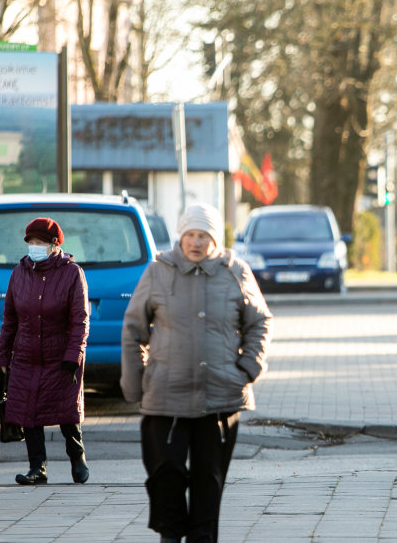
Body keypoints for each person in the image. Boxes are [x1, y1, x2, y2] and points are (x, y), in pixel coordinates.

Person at [121, 203, 272, 543]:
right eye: (190, 234)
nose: (196, 242)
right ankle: (170, 535)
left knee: (209, 481)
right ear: (181, 236)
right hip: (165, 398)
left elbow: (260, 321)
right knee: (165, 476)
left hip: (221, 398)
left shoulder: (236, 272)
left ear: (215, 239)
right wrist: (135, 385)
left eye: (204, 235)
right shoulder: (158, 271)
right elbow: (133, 329)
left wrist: (247, 368)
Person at [0, 217, 90, 486]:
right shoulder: (19, 273)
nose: (34, 247)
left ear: (53, 245)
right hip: (26, 354)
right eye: (31, 243)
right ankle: (37, 467)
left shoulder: (72, 273)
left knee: (66, 411)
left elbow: (80, 320)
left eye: (39, 243)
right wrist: (3, 354)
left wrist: (74, 355)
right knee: (29, 412)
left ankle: (77, 457)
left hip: (59, 355)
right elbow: (10, 319)